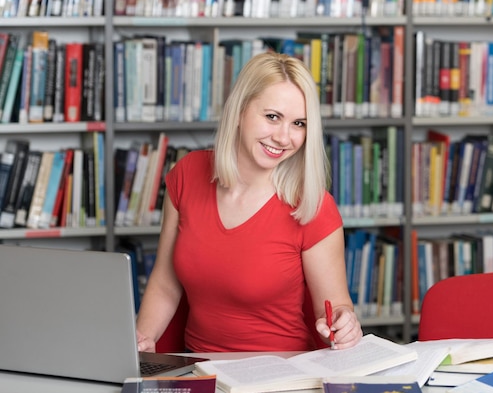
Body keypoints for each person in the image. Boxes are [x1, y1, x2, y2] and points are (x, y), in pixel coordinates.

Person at [136, 51, 363, 353]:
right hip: (199, 371)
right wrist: (138, 342)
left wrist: (344, 323)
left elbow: (335, 308)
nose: (284, 137)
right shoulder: (187, 175)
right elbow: (165, 282)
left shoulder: (313, 206)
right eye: (272, 117)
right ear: (241, 111)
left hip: (280, 374)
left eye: (299, 124)